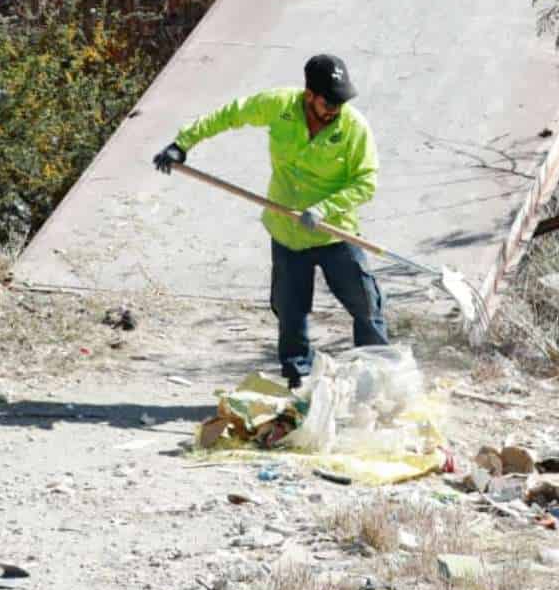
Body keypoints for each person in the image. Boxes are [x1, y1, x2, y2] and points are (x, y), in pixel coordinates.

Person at [153, 53, 386, 387]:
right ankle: (298, 381)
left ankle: (376, 377)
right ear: (309, 95)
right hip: (287, 232)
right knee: (290, 312)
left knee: (366, 306)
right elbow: (231, 114)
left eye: (341, 102)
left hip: (335, 234)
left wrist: (326, 208)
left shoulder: (353, 127)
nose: (335, 109)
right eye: (329, 102)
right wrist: (182, 143)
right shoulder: (279, 105)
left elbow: (366, 182)